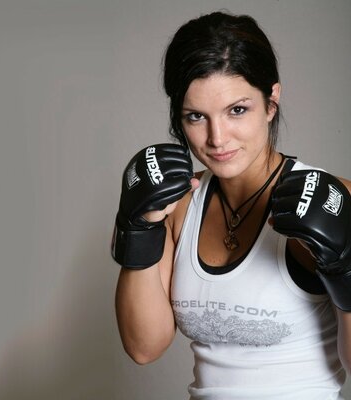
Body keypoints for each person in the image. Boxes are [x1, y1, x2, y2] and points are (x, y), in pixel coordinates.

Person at [111, 11, 351, 399]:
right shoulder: (179, 205)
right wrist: (137, 228)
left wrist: (347, 268)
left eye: (237, 110)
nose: (217, 138)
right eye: (196, 117)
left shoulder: (334, 200)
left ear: (271, 101)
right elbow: (143, 347)